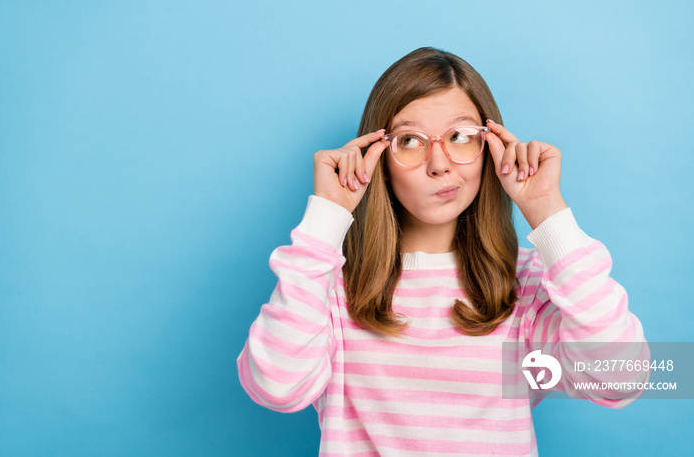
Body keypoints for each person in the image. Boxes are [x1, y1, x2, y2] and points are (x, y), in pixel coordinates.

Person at [236, 47, 648, 456]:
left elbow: (620, 378)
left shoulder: (524, 286)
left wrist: (548, 214)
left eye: (461, 137)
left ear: (489, 147)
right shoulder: (330, 287)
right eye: (410, 140)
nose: (439, 164)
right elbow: (277, 386)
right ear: (377, 156)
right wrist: (325, 220)